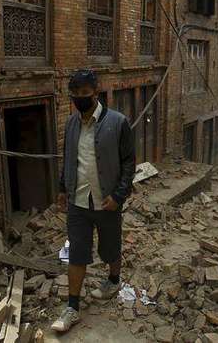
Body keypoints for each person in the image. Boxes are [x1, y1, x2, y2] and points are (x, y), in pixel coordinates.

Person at [51, 69, 136, 333]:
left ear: (96, 94)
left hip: (107, 201)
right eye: (75, 95)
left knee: (111, 247)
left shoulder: (118, 122)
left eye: (84, 95)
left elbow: (128, 162)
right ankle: (72, 308)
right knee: (77, 253)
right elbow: (69, 158)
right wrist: (63, 188)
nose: (80, 99)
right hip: (78, 202)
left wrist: (119, 195)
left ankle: (113, 280)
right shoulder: (71, 124)